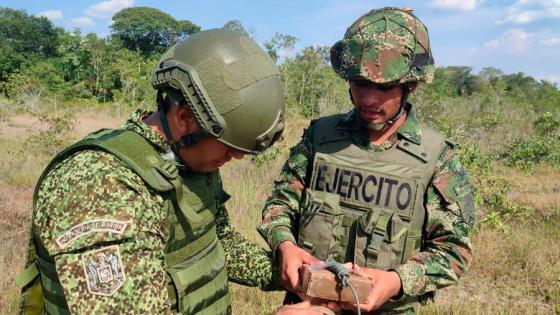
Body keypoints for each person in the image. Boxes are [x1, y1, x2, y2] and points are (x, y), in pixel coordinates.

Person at [15, 28, 285, 314]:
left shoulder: (187, 159)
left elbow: (214, 241)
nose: (238, 156)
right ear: (184, 119)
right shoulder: (100, 184)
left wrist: (286, 272)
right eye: (229, 147)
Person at [258, 7, 476, 314]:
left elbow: (454, 250)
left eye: (385, 87)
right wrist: (285, 245)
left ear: (410, 85)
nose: (369, 99)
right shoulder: (320, 138)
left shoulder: (436, 157)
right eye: (360, 83)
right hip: (308, 306)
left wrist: (396, 280)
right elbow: (280, 205)